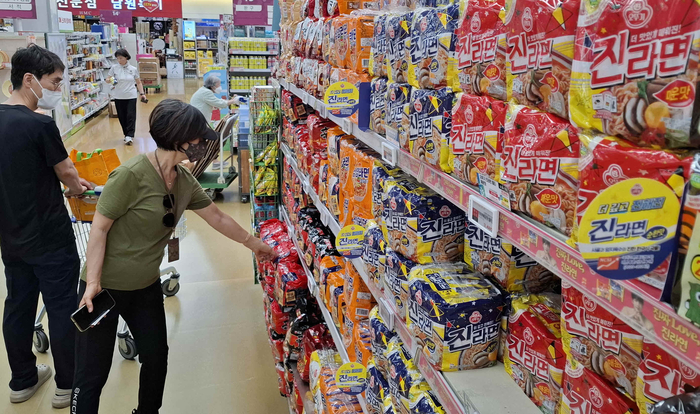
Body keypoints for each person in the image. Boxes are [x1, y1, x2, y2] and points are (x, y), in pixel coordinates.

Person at [71, 99, 276, 414]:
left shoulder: (183, 180)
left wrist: (255, 244)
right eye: (198, 137)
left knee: (156, 358)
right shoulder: (129, 176)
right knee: (92, 373)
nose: (203, 143)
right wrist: (93, 283)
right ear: (179, 138)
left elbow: (217, 217)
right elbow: (99, 229)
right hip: (103, 289)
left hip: (145, 286)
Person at [0, 45, 92, 409]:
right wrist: (77, 187)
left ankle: (22, 380)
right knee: (61, 305)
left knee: (18, 305)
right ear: (29, 80)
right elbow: (66, 172)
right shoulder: (39, 124)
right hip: (50, 236)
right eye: (54, 82)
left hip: (11, 235)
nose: (57, 89)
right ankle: (66, 384)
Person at [107, 49, 147, 146]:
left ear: (126, 57)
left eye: (121, 58)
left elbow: (138, 82)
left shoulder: (133, 69)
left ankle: (130, 135)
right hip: (118, 96)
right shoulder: (114, 68)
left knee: (131, 116)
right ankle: (126, 135)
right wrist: (110, 80)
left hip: (131, 95)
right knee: (122, 116)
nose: (119, 60)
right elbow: (108, 78)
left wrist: (142, 93)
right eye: (117, 58)